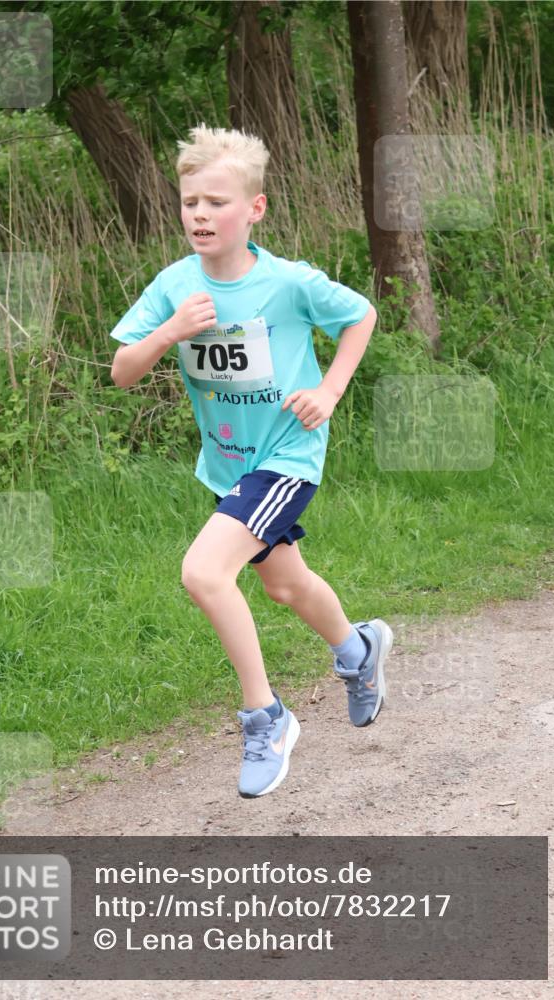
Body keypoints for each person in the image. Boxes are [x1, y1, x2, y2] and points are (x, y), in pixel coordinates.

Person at [110, 124, 393, 799]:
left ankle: (265, 718)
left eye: (215, 201)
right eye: (189, 203)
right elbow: (122, 371)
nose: (200, 215)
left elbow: (360, 315)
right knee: (282, 585)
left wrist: (329, 390)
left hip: (286, 456)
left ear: (254, 210)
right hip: (229, 466)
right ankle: (357, 652)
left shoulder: (287, 283)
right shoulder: (173, 286)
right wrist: (171, 330)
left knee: (204, 573)